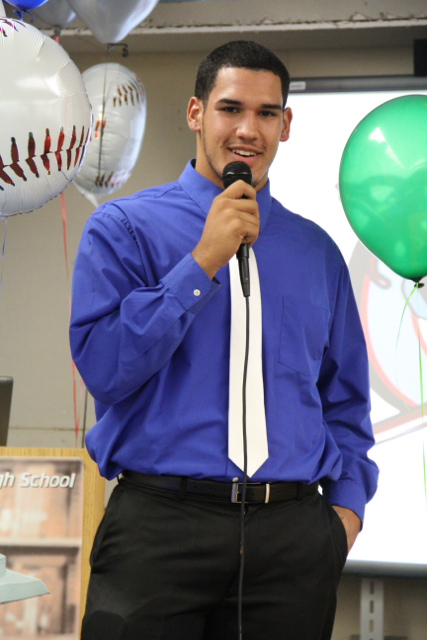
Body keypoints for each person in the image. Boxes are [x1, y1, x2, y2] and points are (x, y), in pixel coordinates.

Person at [70, 41, 379, 640]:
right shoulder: (123, 230)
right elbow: (105, 369)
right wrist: (201, 262)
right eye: (230, 108)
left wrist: (342, 517)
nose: (248, 130)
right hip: (159, 530)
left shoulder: (317, 252)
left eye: (267, 113)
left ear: (286, 124)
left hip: (291, 541)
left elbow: (344, 401)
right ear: (195, 113)